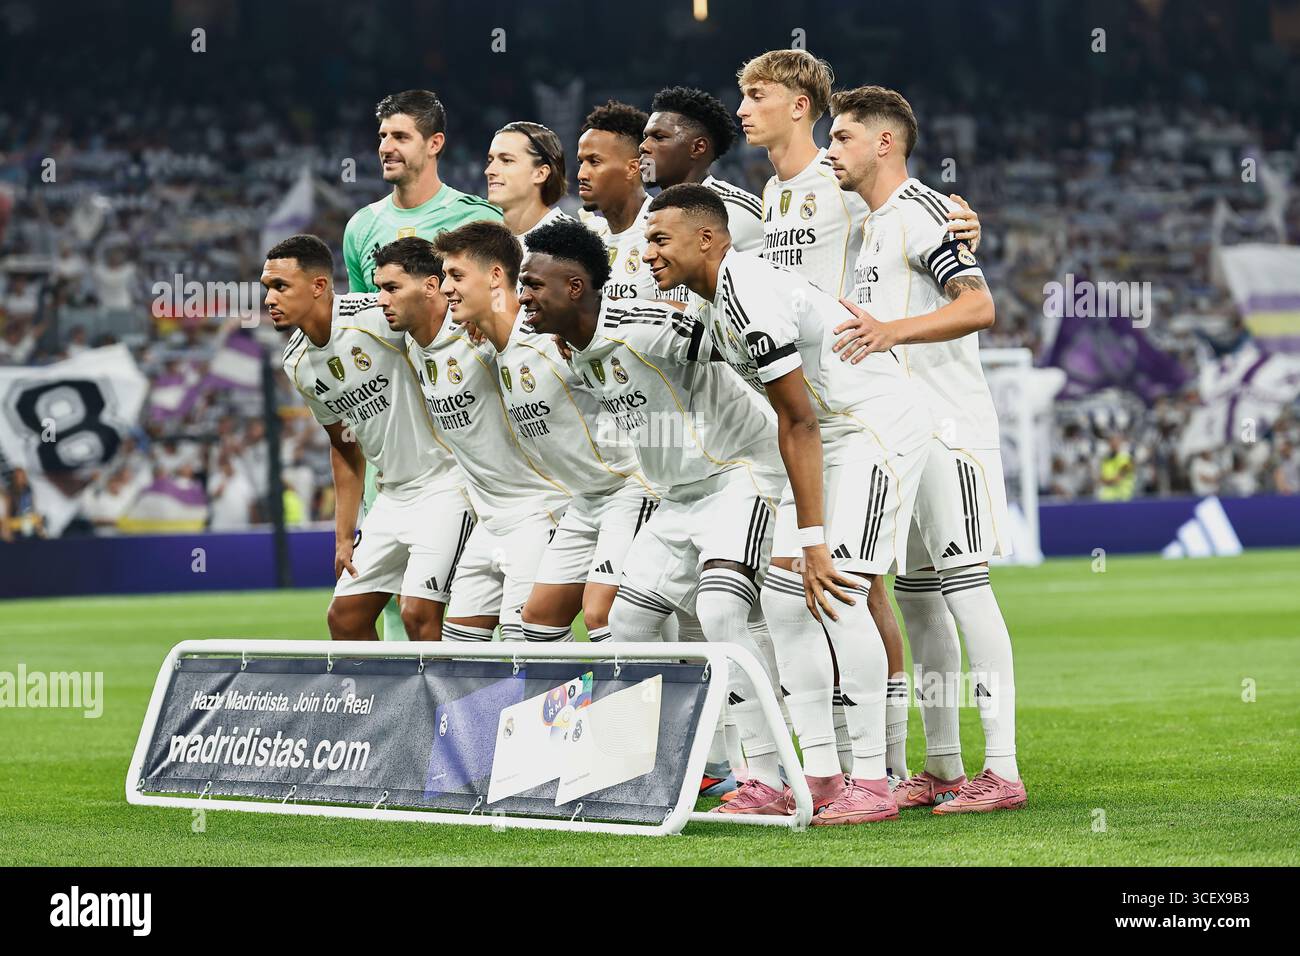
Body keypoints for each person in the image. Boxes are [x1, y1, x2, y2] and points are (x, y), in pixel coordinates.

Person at [643, 183, 933, 824]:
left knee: (839, 589)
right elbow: (795, 422)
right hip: (826, 436)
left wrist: (814, 538)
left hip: (869, 429)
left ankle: (872, 780)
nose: (649, 254)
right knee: (780, 599)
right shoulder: (718, 300)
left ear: (708, 238)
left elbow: (798, 420)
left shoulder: (744, 292)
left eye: (661, 239)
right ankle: (820, 776)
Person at [518, 217, 788, 799]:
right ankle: (649, 765)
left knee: (720, 614)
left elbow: (751, 349)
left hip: (737, 474)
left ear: (574, 288)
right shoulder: (572, 354)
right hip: (676, 497)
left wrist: (798, 435)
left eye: (534, 285)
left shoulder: (650, 325)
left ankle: (771, 774)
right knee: (628, 624)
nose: (523, 296)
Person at [828, 85, 1026, 813]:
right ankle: (942, 765)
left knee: (967, 591)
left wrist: (889, 332)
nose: (831, 150)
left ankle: (1001, 770)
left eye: (843, 137)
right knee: (918, 605)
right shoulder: (872, 224)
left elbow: (979, 306)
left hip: (948, 430)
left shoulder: (919, 214)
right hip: (901, 438)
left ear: (885, 142)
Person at [431, 220, 657, 642]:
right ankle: (581, 709)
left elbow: (623, 340)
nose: (446, 288)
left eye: (456, 276)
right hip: (584, 501)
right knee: (536, 625)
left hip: (630, 487)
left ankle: (656, 704)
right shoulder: (491, 348)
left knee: (603, 617)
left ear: (497, 277)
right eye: (445, 277)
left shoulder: (553, 338)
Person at [342, 89, 503, 641]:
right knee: (388, 603)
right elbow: (373, 335)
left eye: (400, 135)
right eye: (383, 135)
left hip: (465, 439)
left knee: (462, 596)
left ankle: (474, 717)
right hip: (399, 442)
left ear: (434, 144)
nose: (386, 146)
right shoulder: (361, 227)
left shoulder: (474, 217)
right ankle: (402, 724)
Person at [268, 234, 471, 642]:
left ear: (319, 286)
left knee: (417, 615)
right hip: (391, 497)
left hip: (446, 483)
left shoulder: (374, 316)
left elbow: (436, 315)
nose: (270, 299)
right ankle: (384, 708)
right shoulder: (297, 363)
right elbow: (343, 447)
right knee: (344, 619)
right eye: (267, 288)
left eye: (280, 287)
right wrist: (344, 537)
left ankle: (445, 708)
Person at [374, 236, 569, 643]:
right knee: (460, 651)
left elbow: (519, 316)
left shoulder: (490, 338)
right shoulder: (412, 341)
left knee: (531, 649)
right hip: (489, 519)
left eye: (455, 276)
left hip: (538, 510)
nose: (447, 287)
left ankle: (586, 708)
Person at [485, 121, 574, 240]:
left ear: (540, 174)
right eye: (490, 161)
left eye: (506, 160)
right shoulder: (483, 241)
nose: (489, 171)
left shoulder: (570, 242)